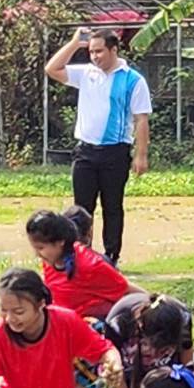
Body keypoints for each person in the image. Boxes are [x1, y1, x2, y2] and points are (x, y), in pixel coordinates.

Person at [44, 27, 152, 265]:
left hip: (115, 151)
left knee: (112, 206)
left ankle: (111, 256)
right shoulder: (86, 74)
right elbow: (51, 69)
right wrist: (74, 44)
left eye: (99, 51)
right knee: (81, 209)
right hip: (86, 151)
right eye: (91, 51)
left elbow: (141, 118)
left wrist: (141, 155)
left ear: (114, 50)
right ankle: (80, 255)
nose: (94, 56)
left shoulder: (133, 80)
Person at [26, 209, 141, 320]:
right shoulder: (50, 261)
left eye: (40, 248)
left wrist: (154, 304)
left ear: (60, 241)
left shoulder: (90, 265)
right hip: (63, 324)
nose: (37, 254)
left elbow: (127, 290)